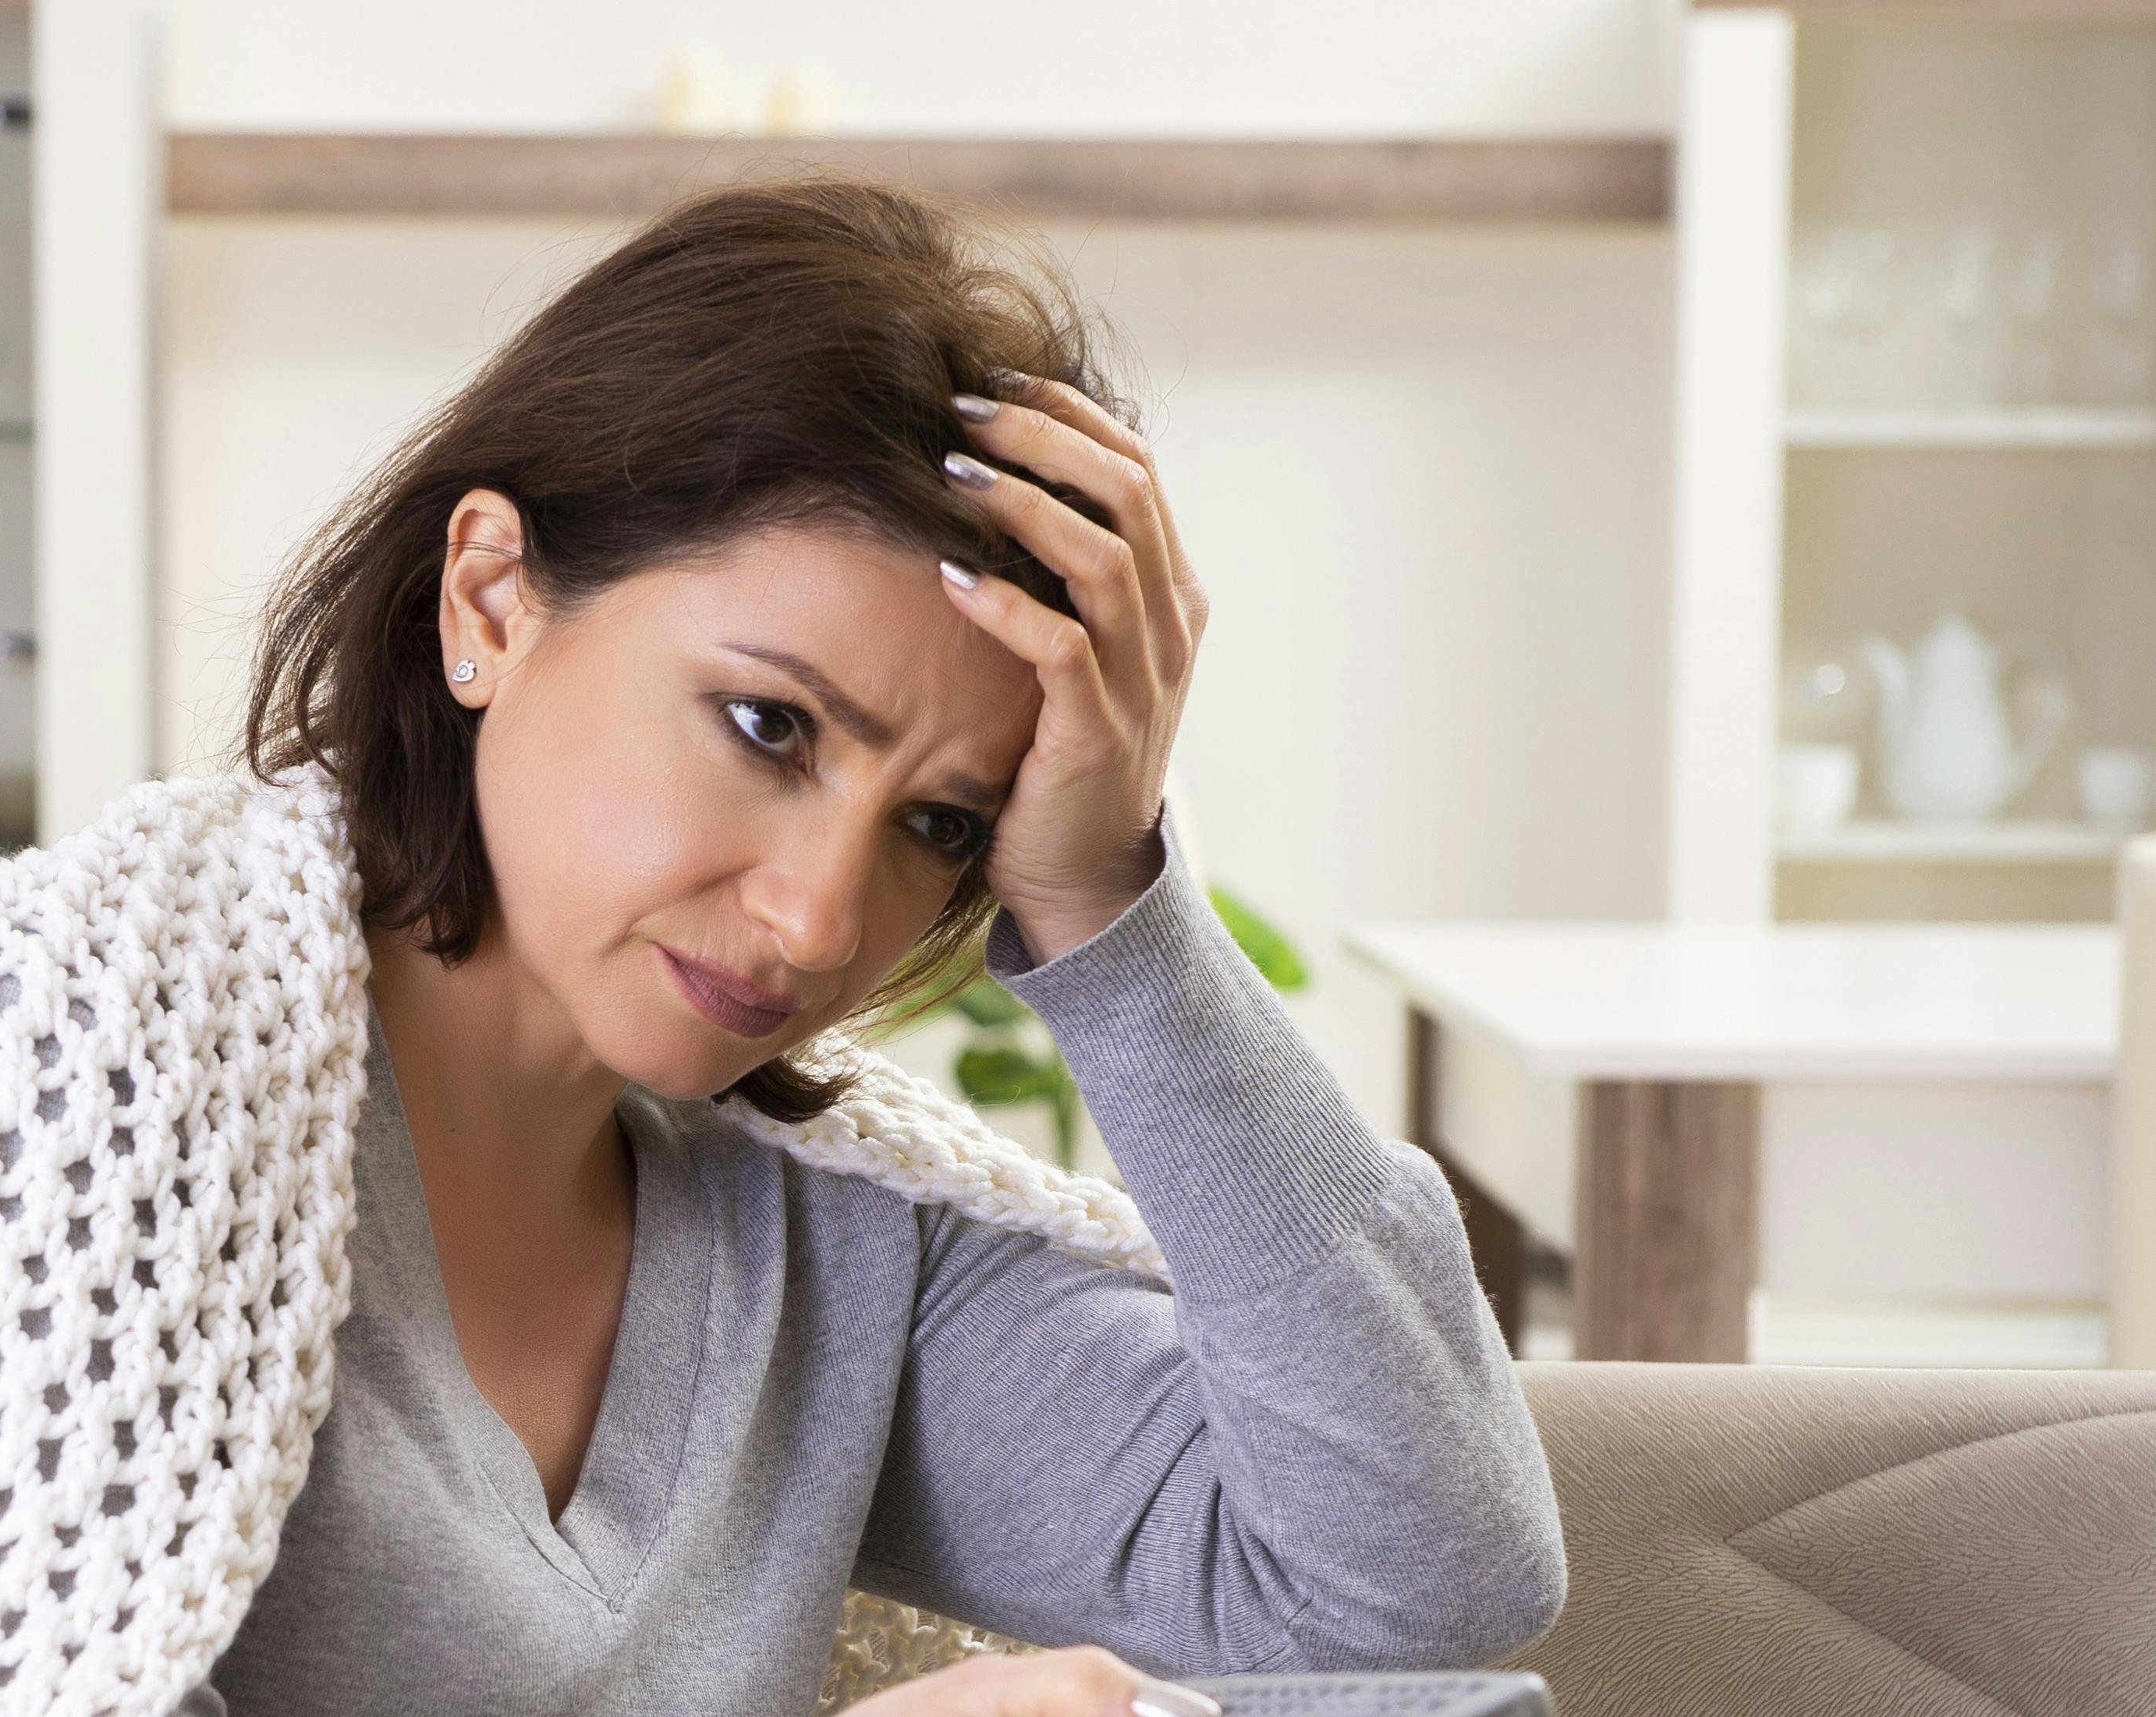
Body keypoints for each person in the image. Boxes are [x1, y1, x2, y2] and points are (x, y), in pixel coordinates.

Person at [187, 176, 1568, 1714]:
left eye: (940, 827)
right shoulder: (73, 1113)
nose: (817, 921)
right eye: (766, 727)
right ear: (491, 600)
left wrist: (1109, 899)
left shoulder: (829, 1236)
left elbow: (1415, 1580)